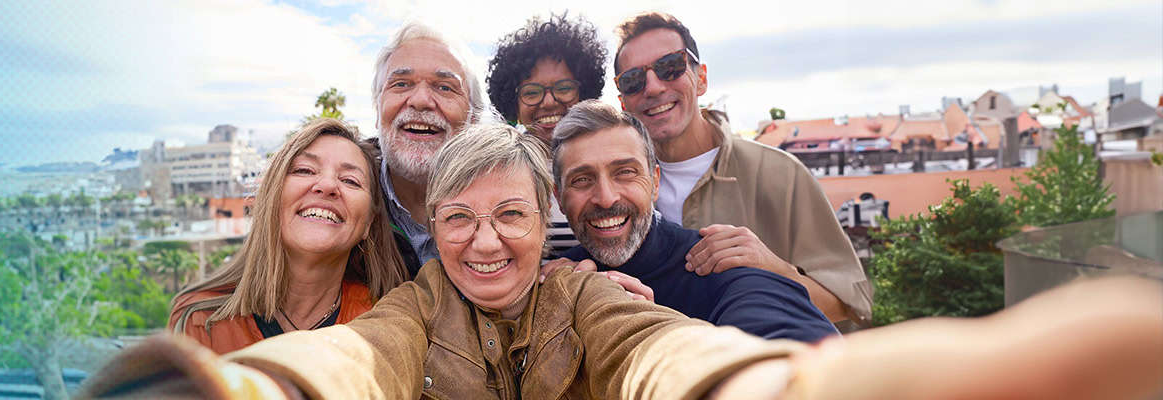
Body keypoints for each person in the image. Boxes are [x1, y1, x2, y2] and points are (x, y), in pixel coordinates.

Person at [79, 120, 1163, 400]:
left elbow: (666, 353)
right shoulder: (410, 310)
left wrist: (785, 382)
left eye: (511, 215)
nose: (484, 242)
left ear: (545, 218)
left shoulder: (590, 292)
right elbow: (356, 355)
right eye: (457, 219)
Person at [613, 11, 872, 327]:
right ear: (623, 101)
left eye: (670, 67)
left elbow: (848, 304)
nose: (652, 87)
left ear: (701, 78)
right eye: (633, 80)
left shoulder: (778, 174)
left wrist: (774, 269)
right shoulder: (613, 191)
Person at [548, 100, 836, 342]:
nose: (606, 198)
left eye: (624, 172)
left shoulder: (718, 265)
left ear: (655, 182)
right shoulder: (554, 283)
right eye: (582, 179)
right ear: (559, 197)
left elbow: (792, 352)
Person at [167, 118, 409, 354]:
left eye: (350, 180)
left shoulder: (383, 326)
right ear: (272, 199)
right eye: (304, 170)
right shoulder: (200, 322)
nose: (326, 185)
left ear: (368, 223)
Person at [366, 21, 486, 276]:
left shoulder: (508, 203)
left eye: (444, 87)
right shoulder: (343, 198)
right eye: (401, 84)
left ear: (473, 118)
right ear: (377, 110)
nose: (420, 101)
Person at [486, 13, 611, 256]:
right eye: (532, 93)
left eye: (563, 88)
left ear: (583, 92)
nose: (549, 102)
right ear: (515, 104)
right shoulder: (496, 168)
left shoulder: (612, 158)